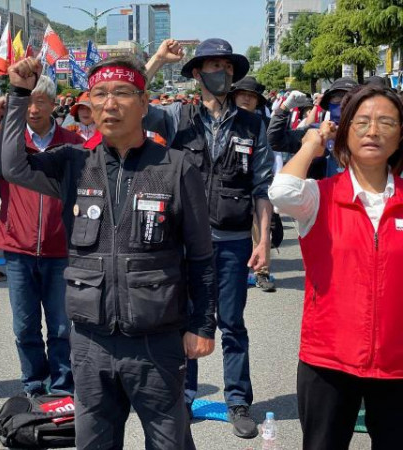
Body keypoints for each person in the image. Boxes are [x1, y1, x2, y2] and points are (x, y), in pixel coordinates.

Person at [0, 54, 217, 450]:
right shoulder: (73, 163)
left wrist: (202, 325)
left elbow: (201, 256)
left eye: (121, 93)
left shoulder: (175, 166)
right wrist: (18, 94)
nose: (109, 104)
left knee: (170, 443)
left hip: (157, 339)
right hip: (89, 342)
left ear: (145, 103)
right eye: (99, 94)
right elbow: (12, 166)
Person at [144, 38, 274, 439]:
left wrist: (263, 241)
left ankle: (238, 401)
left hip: (234, 240)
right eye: (213, 66)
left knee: (232, 323)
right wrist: (157, 61)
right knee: (183, 319)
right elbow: (131, 99)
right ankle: (183, 397)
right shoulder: (176, 118)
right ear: (197, 74)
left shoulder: (253, 124)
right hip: (183, 240)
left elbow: (261, 189)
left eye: (227, 67)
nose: (222, 73)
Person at [269, 85, 403, 450]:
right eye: (361, 122)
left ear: (399, 136)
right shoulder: (319, 196)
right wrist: (312, 144)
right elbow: (281, 192)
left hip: (397, 362)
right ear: (344, 132)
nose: (373, 131)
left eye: (386, 122)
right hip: (328, 359)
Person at [0, 77, 83, 398]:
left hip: (60, 251)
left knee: (59, 327)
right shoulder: (7, 142)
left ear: (54, 105)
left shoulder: (74, 142)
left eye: (40, 100)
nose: (33, 108)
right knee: (25, 326)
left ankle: (62, 384)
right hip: (17, 249)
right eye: (27, 100)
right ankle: (33, 383)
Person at [230, 76, 279, 293]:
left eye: (252, 96)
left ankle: (262, 272)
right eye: (243, 94)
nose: (247, 99)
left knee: (261, 228)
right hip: (230, 187)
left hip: (259, 184)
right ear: (234, 96)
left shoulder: (264, 125)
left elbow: (276, 154)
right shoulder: (226, 120)